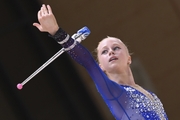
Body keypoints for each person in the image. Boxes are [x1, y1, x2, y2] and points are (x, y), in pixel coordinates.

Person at [33, 4, 168, 120]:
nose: (111, 52)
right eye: (104, 51)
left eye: (116, 48)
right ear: (101, 67)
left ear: (129, 58)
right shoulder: (114, 93)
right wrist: (56, 32)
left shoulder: (152, 95)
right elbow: (87, 61)